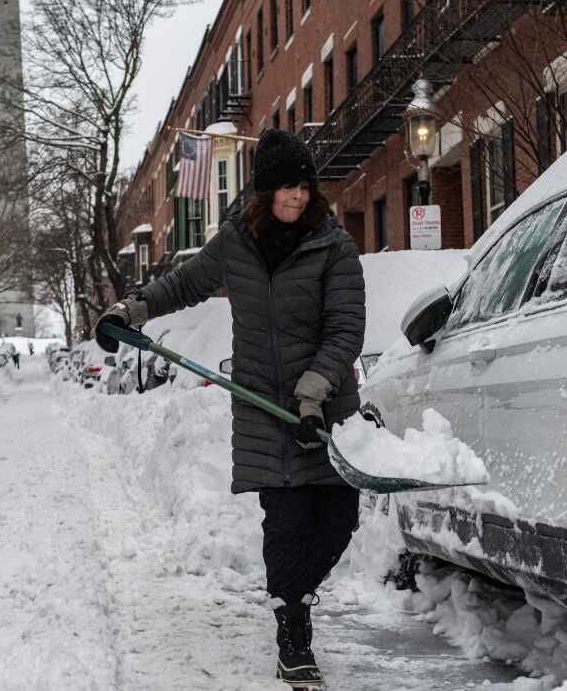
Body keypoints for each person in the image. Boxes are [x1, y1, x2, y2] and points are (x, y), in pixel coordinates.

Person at [96, 129, 365, 688]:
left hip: (325, 406)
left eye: (304, 187)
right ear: (264, 191)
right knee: (287, 524)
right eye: (285, 187)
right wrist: (131, 310)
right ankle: (293, 628)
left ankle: (296, 595)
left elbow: (345, 329)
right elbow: (185, 283)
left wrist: (315, 392)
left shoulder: (334, 247)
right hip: (265, 407)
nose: (296, 197)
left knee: (339, 521)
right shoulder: (237, 242)